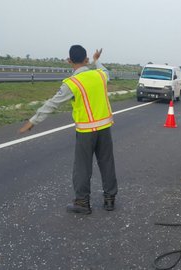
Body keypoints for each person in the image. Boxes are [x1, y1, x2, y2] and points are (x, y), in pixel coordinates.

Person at [19, 45, 117, 215]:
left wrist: (33, 121)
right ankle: (109, 200)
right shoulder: (100, 75)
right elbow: (104, 69)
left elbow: (52, 103)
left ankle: (82, 202)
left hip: (86, 131)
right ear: (86, 60)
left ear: (69, 61)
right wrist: (96, 60)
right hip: (104, 128)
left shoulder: (72, 83)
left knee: (82, 167)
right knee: (107, 163)